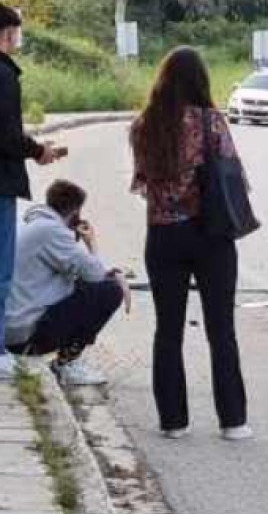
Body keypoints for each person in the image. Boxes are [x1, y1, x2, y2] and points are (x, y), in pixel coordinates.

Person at [130, 47, 252, 441]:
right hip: (210, 234)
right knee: (221, 329)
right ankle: (233, 421)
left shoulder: (144, 124)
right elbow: (234, 174)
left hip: (163, 236)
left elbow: (141, 182)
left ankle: (173, 422)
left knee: (168, 331)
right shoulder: (210, 121)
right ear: (200, 80)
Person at [4, 181, 130, 385]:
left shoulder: (31, 224)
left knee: (87, 287)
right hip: (25, 336)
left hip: (10, 330)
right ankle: (66, 365)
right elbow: (96, 274)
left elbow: (73, 272)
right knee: (110, 291)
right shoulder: (52, 231)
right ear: (75, 211)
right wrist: (91, 244)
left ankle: (64, 363)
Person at [0, 4, 60, 380]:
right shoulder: (4, 75)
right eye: (15, 32)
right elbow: (6, 135)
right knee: (0, 271)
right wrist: (38, 150)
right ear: (6, 33)